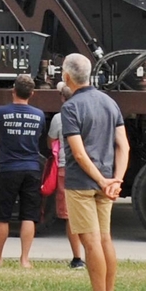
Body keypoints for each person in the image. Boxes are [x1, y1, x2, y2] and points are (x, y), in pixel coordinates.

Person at [59, 52, 127, 291]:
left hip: (81, 183)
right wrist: (115, 180)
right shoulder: (109, 102)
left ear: (67, 77)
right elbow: (123, 146)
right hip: (108, 181)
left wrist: (99, 179)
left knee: (91, 243)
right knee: (105, 240)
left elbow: (77, 153)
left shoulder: (70, 107)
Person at [0, 75, 47, 268]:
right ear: (32, 94)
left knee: (2, 214)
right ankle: (25, 259)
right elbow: (39, 136)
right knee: (29, 215)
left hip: (9, 167)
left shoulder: (1, 112)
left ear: (13, 91)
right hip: (32, 168)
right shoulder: (39, 115)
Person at [45, 108, 85, 269]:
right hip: (90, 169)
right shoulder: (88, 114)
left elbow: (50, 142)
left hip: (65, 167)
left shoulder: (59, 118)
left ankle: (77, 258)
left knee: (71, 216)